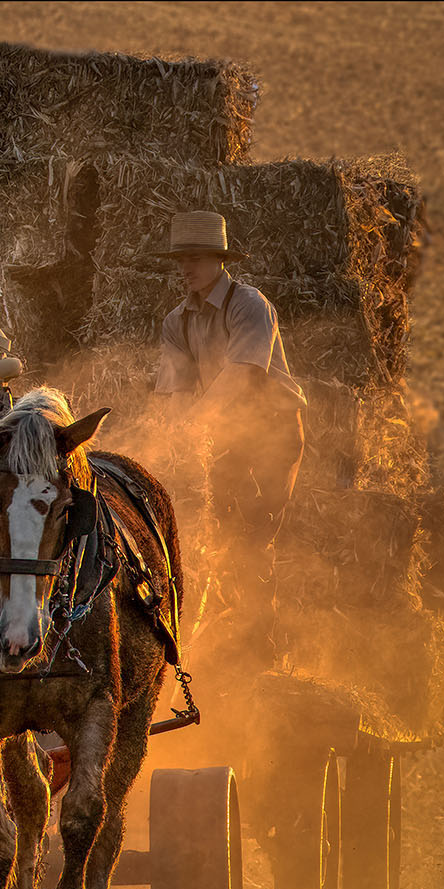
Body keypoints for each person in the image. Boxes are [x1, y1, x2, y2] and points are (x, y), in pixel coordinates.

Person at [152, 210, 307, 660]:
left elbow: (241, 376)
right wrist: (176, 441)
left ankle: (262, 647)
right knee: (214, 529)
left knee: (255, 534)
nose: (186, 268)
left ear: (220, 259)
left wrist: (196, 426)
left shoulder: (249, 304)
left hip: (272, 431)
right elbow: (178, 392)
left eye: (196, 258)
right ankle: (220, 638)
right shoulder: (175, 321)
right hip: (225, 434)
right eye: (180, 259)